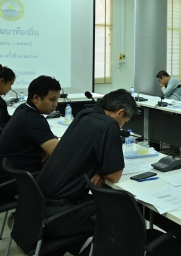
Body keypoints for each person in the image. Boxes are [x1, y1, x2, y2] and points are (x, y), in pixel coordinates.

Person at [35, 89, 137, 255]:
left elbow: (85, 152)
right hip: (56, 216)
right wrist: (104, 171)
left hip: (37, 207)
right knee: (123, 212)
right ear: (120, 112)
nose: (122, 126)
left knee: (102, 203)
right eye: (124, 121)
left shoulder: (85, 113)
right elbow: (114, 176)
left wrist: (98, 170)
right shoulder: (109, 124)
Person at [0, 76, 61, 199]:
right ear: (36, 98)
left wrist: (49, 146)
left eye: (57, 100)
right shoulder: (34, 120)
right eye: (52, 99)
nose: (55, 104)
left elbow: (50, 143)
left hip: (6, 177)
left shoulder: (23, 109)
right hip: (17, 183)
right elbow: (61, 154)